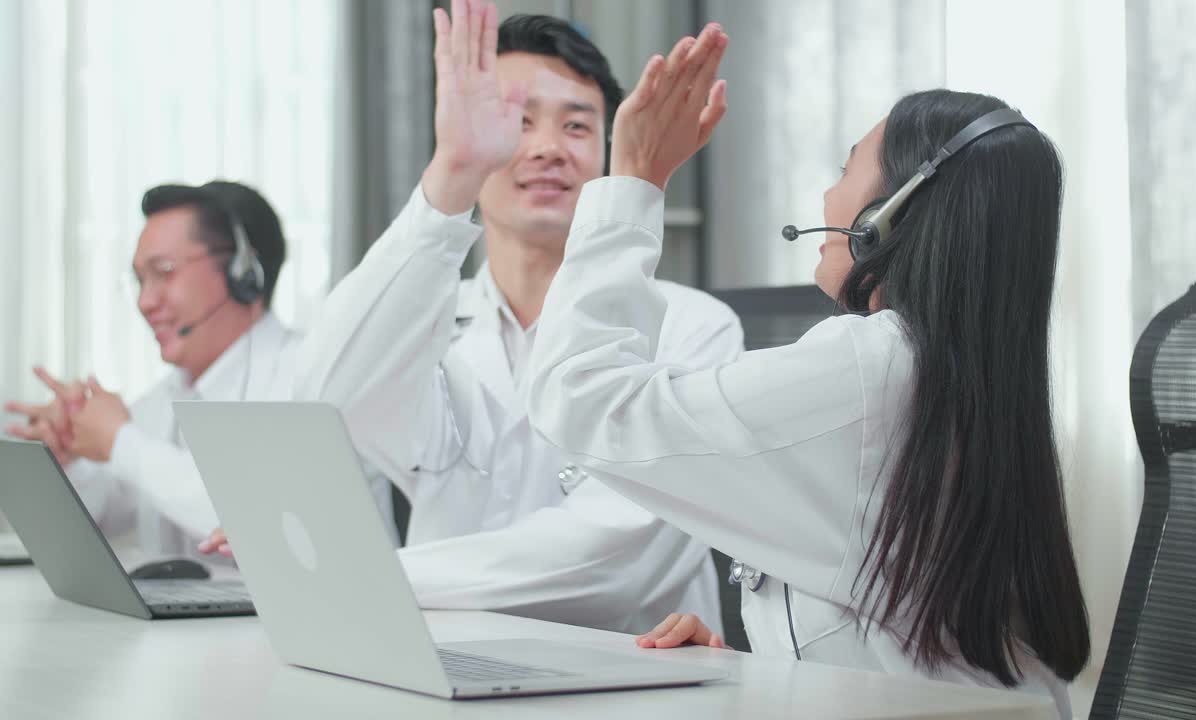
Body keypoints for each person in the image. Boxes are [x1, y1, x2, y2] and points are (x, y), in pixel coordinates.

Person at [526, 23, 1090, 718]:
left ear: (886, 217)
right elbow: (892, 626)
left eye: (845, 168)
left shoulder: (868, 369)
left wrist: (632, 183)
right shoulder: (949, 376)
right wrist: (757, 667)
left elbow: (577, 400)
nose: (827, 197)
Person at [202, 3, 742, 635]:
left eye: (575, 125)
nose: (545, 148)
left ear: (608, 152)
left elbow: (615, 560)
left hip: (627, 675)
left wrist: (362, 573)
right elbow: (326, 398)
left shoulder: (695, 328)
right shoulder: (427, 323)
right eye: (515, 122)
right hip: (442, 670)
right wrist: (452, 173)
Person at [4, 182, 393, 562]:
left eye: (164, 272)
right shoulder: (165, 398)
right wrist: (69, 458)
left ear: (243, 272)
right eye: (140, 280)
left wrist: (119, 440)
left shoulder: (315, 375)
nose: (145, 301)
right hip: (189, 628)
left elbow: (263, 523)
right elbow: (100, 517)